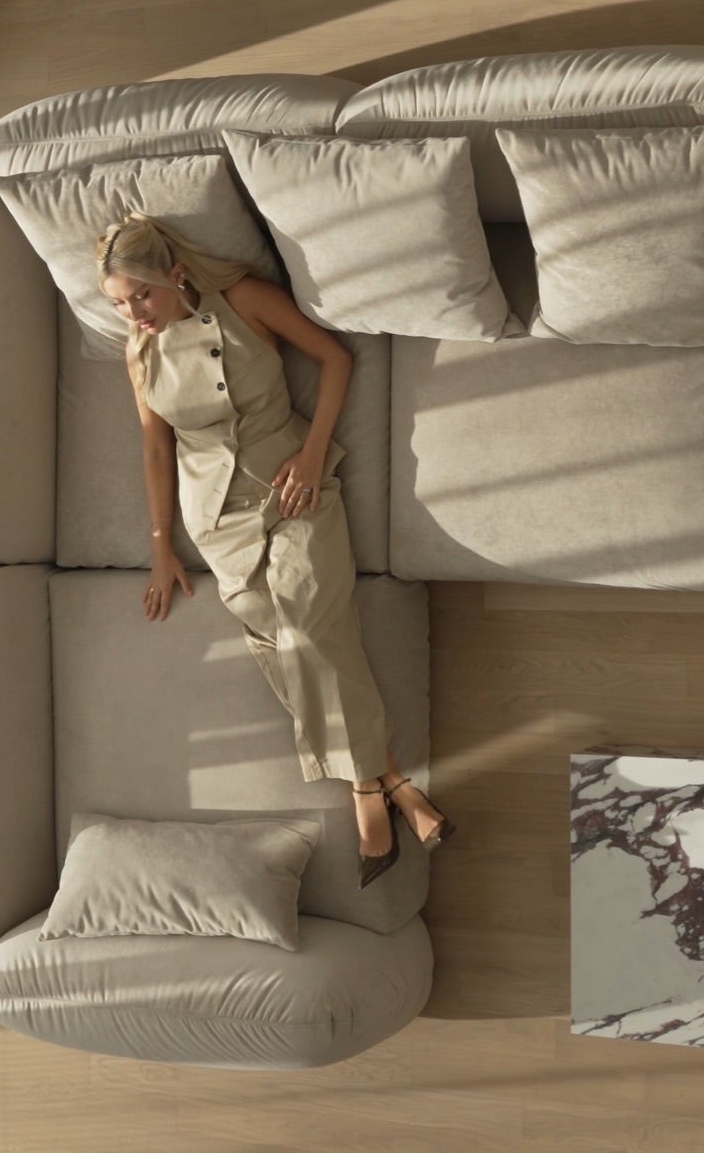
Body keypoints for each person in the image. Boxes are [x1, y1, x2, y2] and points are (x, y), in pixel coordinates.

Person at [95, 211, 452, 889]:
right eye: (117, 303)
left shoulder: (244, 302)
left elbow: (334, 358)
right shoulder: (138, 354)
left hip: (293, 488)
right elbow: (154, 447)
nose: (133, 312)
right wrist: (161, 546)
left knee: (312, 630)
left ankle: (365, 797)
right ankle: (394, 780)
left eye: (140, 294)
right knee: (278, 644)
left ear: (173, 275)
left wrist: (312, 455)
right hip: (217, 518)